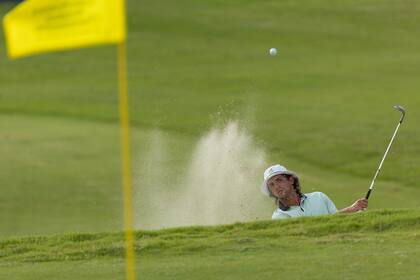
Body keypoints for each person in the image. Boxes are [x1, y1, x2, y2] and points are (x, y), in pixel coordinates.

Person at [261, 164, 368, 219]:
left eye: (279, 180)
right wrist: (351, 209)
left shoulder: (319, 197)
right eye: (271, 185)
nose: (276, 186)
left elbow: (337, 222)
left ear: (291, 180)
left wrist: (356, 212)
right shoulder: (280, 216)